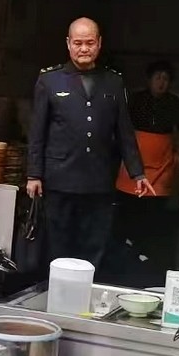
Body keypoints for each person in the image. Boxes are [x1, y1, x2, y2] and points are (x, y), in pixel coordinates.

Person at [27, 17, 154, 268]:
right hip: (60, 179)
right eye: (78, 43)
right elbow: (37, 132)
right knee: (59, 244)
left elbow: (124, 131)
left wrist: (137, 173)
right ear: (68, 44)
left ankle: (86, 289)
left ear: (99, 43)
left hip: (98, 181)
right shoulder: (49, 80)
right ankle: (59, 289)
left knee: (94, 244)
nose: (84, 49)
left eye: (89, 43)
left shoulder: (113, 82)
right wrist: (34, 174)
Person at [116, 60, 179, 199]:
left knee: (157, 198)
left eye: (165, 79)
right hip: (136, 159)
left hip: (162, 163)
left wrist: (178, 152)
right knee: (131, 198)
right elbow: (123, 128)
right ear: (149, 80)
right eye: (157, 78)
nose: (161, 82)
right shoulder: (136, 99)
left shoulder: (174, 102)